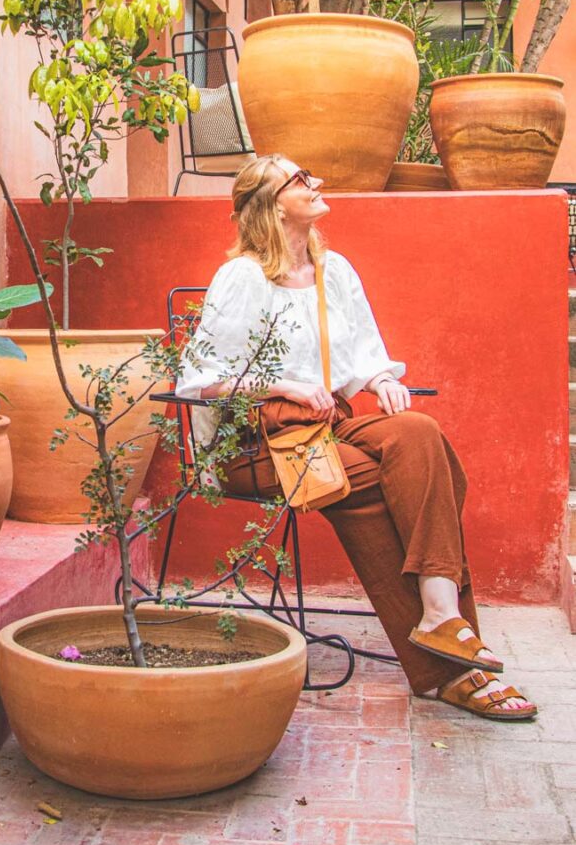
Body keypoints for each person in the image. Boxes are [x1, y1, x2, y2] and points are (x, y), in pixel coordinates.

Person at [176, 153, 537, 720]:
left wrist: (381, 380)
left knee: (419, 435)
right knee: (370, 480)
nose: (316, 181)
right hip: (254, 443)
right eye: (301, 179)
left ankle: (440, 610)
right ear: (273, 206)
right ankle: (448, 672)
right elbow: (202, 380)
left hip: (327, 426)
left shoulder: (334, 270)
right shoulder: (242, 277)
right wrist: (285, 385)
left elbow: (364, 355)